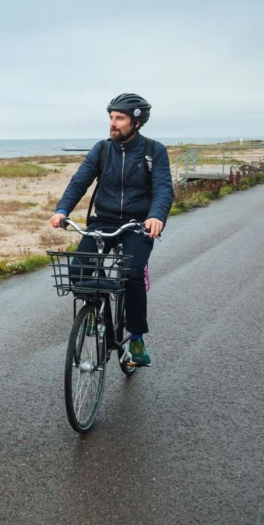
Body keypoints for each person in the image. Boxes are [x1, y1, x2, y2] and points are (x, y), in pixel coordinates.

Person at [49, 93, 174, 367]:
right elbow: (79, 181)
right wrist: (62, 210)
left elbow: (164, 188)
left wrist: (156, 216)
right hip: (103, 220)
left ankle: (137, 337)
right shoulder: (102, 149)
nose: (113, 123)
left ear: (137, 122)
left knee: (131, 275)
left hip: (138, 224)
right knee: (77, 270)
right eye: (111, 117)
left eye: (120, 118)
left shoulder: (155, 151)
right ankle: (97, 309)